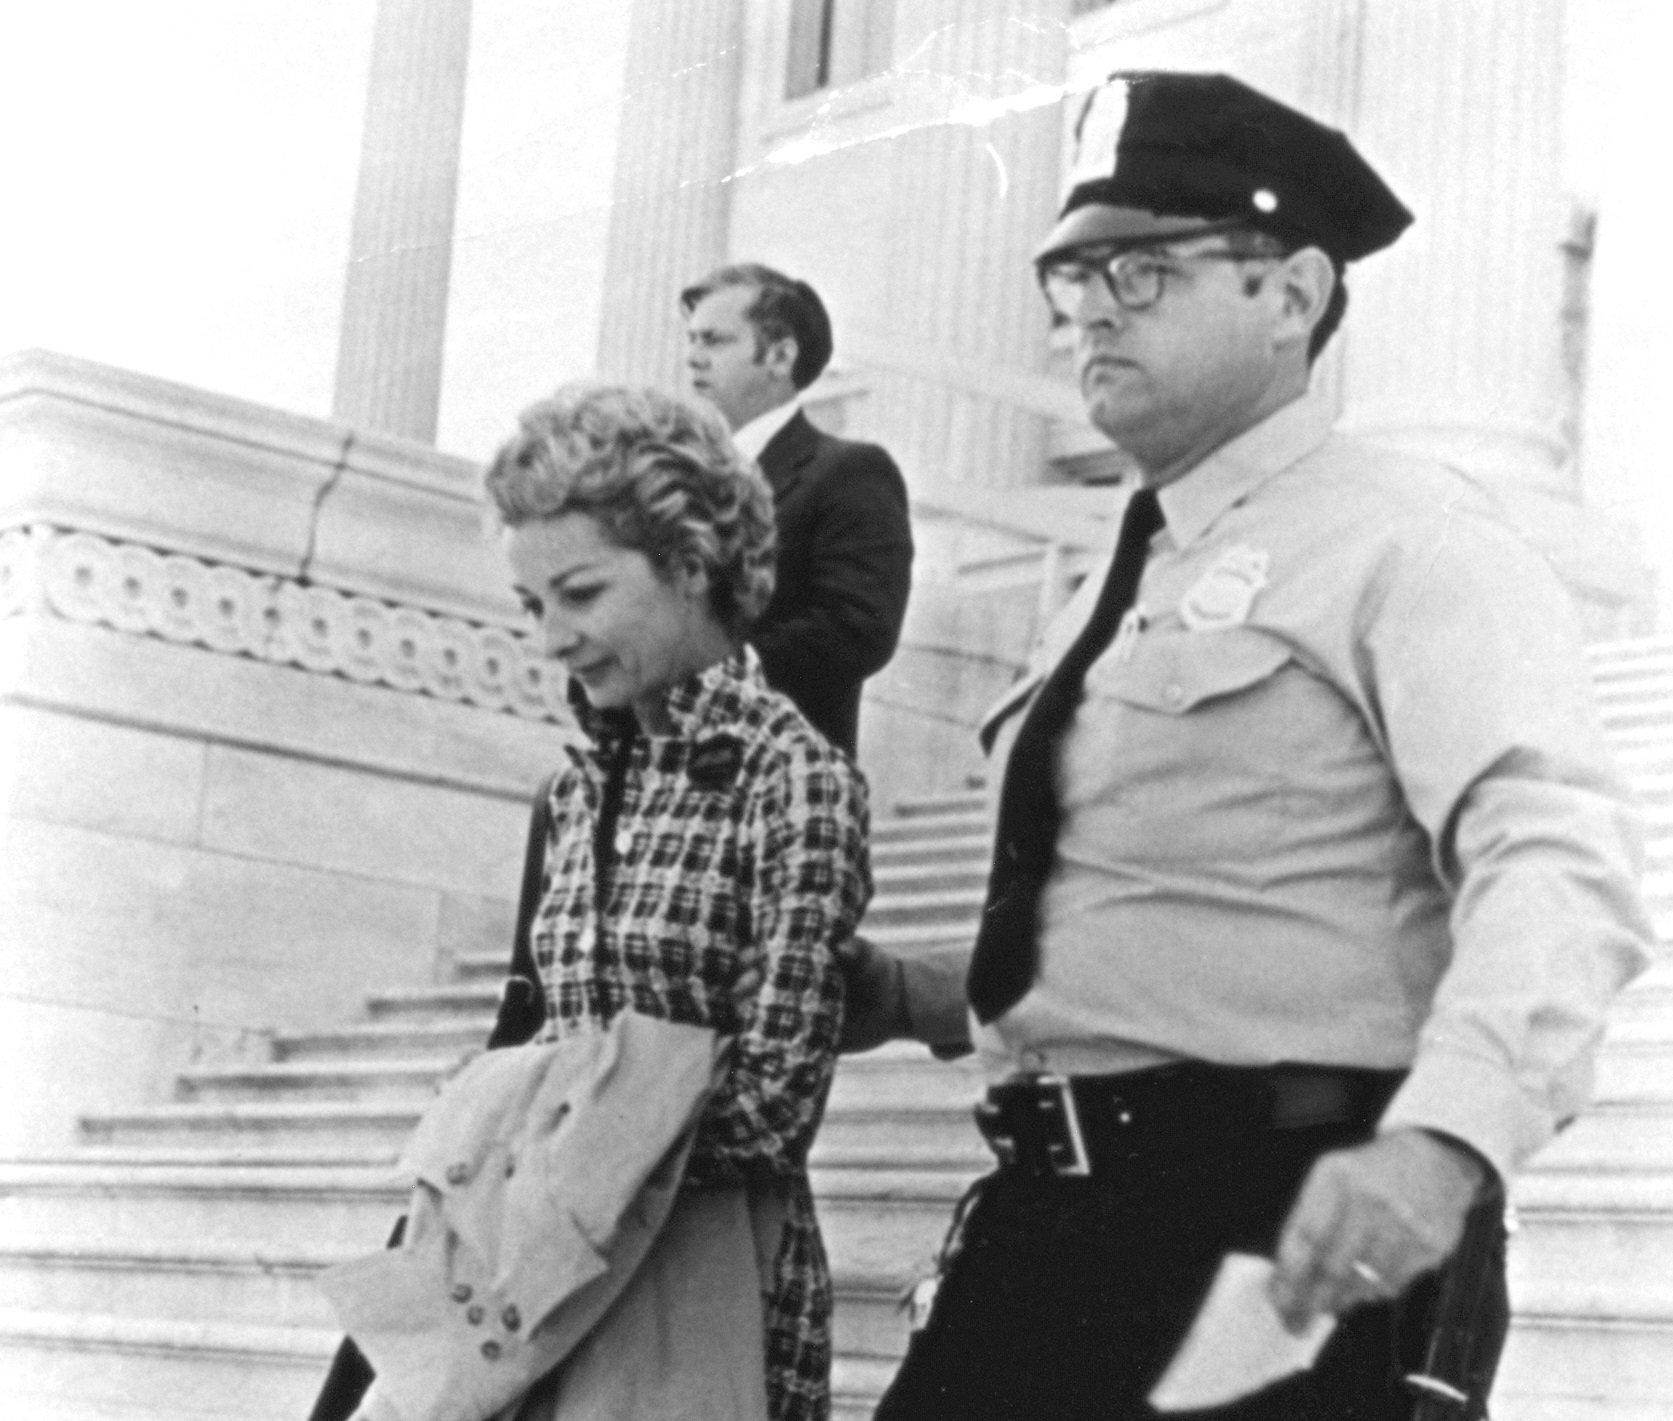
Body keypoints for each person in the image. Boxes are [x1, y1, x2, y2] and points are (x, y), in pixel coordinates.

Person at [839, 71, 1653, 1420]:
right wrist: (930, 993)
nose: (1088, 308)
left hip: (1290, 1234)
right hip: (1043, 1223)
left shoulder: (1413, 541)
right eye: (1071, 277)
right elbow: (1201, 914)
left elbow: (1560, 859)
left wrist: (1443, 1143)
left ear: (1291, 294)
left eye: (1141, 270)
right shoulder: (1110, 586)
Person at [485, 383, 870, 1421]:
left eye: (580, 592)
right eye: (533, 606)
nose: (553, 637)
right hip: (549, 1276)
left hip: (708, 1278)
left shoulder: (790, 776)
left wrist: (557, 1142)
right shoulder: (574, 788)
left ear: (692, 565)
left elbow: (772, 1106)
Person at [681, 263, 913, 756]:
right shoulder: (680, 484)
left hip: (781, 781)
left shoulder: (850, 472)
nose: (693, 357)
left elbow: (858, 627)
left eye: (715, 341)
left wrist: (702, 675)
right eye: (693, 340)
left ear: (782, 354)